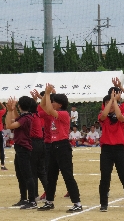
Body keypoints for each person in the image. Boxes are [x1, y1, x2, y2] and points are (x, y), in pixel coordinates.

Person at [38, 84, 82, 213]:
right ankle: (49, 202)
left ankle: (77, 203)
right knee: (51, 176)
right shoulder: (52, 114)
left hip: (62, 146)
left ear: (60, 105)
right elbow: (42, 106)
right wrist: (46, 95)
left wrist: (47, 93)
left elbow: (49, 109)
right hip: (52, 146)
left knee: (67, 175)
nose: (51, 103)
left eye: (54, 102)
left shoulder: (63, 114)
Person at [98, 91, 124, 212]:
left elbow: (120, 117)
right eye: (107, 103)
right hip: (106, 150)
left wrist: (114, 101)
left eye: (112, 103)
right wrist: (111, 100)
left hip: (120, 149)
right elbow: (103, 115)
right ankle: (103, 204)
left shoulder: (122, 114)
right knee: (105, 177)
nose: (111, 104)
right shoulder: (102, 116)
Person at [6, 96, 37, 209]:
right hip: (20, 148)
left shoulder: (26, 117)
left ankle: (32, 201)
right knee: (20, 174)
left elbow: (9, 125)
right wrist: (13, 109)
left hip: (23, 148)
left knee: (27, 175)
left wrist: (9, 110)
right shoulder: (25, 116)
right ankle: (24, 198)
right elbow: (16, 118)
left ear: (20, 106)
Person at [29, 98, 47, 202]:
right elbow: (41, 105)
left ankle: (34, 194)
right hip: (41, 143)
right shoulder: (38, 114)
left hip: (34, 143)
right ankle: (49, 192)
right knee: (41, 170)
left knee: (33, 171)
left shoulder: (29, 117)